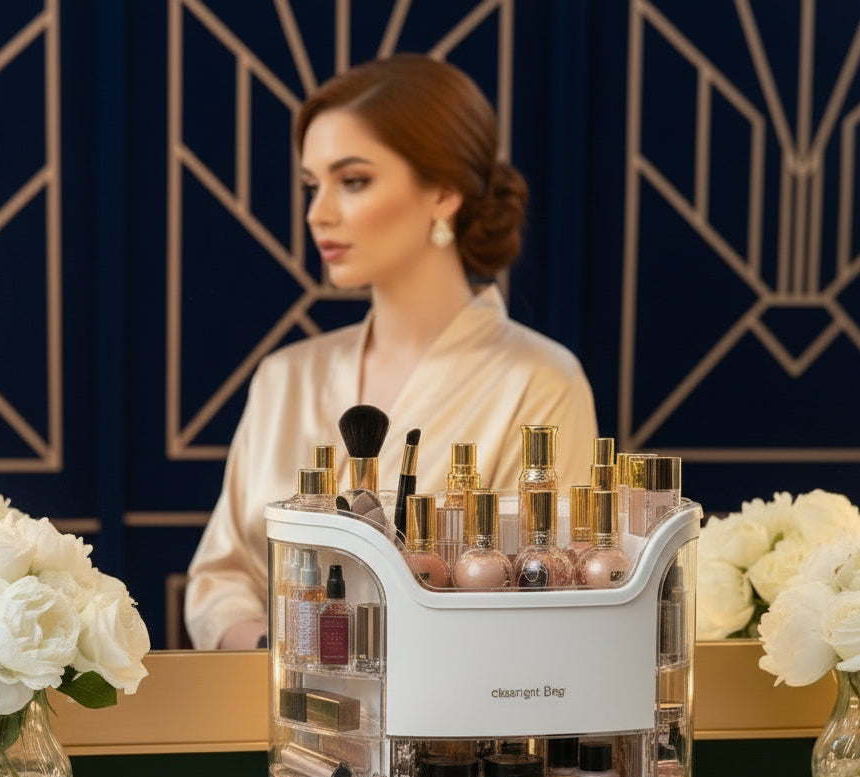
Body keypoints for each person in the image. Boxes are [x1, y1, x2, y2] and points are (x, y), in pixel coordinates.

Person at [185, 54, 597, 650]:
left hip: (457, 733)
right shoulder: (284, 379)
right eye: (311, 184)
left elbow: (550, 594)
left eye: (353, 181)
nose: (317, 212)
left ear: (444, 192)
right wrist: (281, 654)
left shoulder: (539, 383)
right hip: (276, 720)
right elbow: (220, 578)